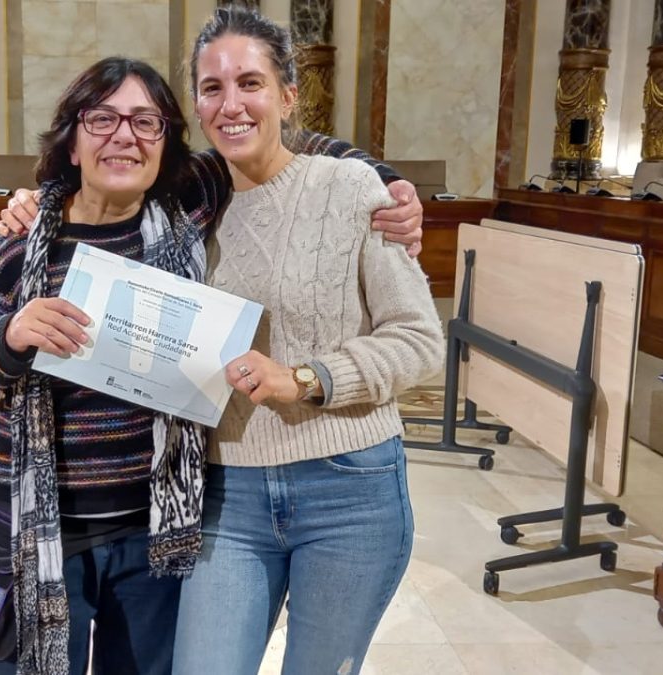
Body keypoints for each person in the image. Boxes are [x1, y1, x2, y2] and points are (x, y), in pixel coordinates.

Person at [0, 55, 417, 675]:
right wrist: (10, 335)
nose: (124, 136)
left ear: (167, 142)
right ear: (72, 138)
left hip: (153, 537)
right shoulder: (21, 243)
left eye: (146, 121)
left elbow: (281, 136)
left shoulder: (190, 210)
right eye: (102, 118)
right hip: (31, 535)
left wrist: (387, 183)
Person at [168, 7, 445, 675]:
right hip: (227, 493)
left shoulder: (351, 186)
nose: (231, 103)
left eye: (251, 82)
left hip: (350, 486)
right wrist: (39, 204)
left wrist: (309, 378)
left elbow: (419, 339)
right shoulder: (184, 206)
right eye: (212, 87)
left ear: (289, 95)